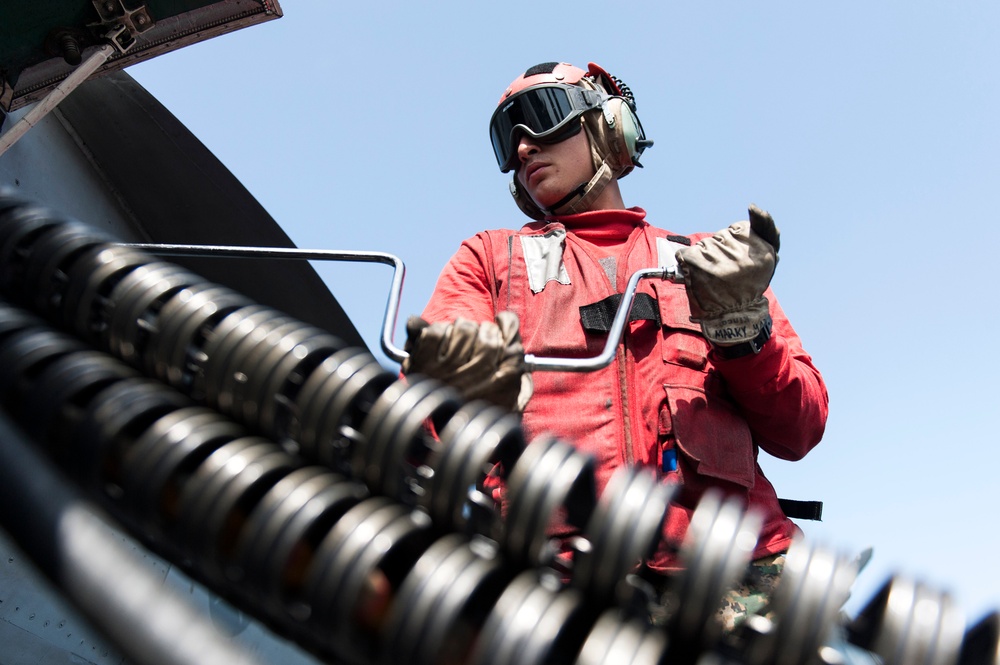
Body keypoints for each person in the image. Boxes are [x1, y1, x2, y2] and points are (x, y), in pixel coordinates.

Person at [401, 61, 828, 630]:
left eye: (542, 118)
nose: (524, 147)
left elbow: (801, 429)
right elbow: (417, 422)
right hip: (557, 588)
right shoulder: (489, 260)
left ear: (608, 125)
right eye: (508, 139)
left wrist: (743, 331)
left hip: (743, 578)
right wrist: (458, 397)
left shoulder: (708, 264)